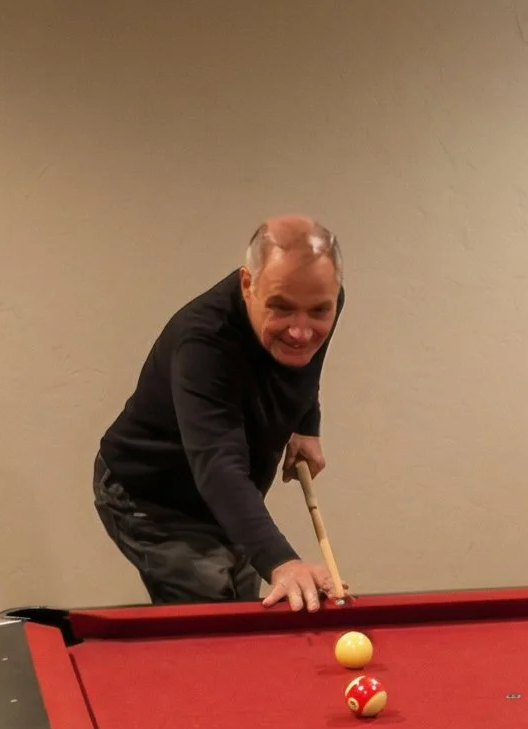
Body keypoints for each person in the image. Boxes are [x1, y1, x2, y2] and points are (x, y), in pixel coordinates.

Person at [95, 216, 345, 609]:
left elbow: (306, 359)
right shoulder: (204, 341)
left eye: (319, 310)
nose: (301, 329)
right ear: (248, 285)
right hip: (154, 493)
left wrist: (305, 424)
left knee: (240, 606)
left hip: (230, 484)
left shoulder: (323, 301)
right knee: (211, 601)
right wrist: (281, 562)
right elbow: (217, 462)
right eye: (281, 308)